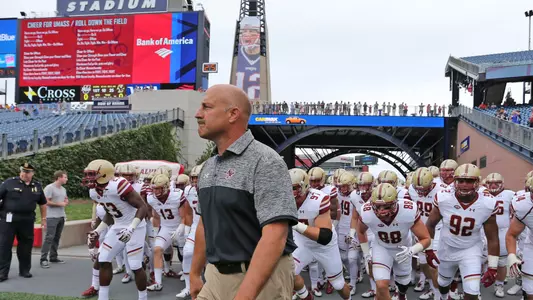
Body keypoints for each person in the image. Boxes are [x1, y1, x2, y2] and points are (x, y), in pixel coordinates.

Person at [190, 84, 298, 300]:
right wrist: (194, 273)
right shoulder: (209, 166)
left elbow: (276, 235)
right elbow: (205, 224)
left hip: (260, 279)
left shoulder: (265, 161)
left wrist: (245, 296)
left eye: (206, 107)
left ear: (233, 114)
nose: (197, 114)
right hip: (215, 276)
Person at [425, 163, 500, 300]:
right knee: (443, 283)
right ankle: (443, 296)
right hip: (446, 247)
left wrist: (493, 266)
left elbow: (493, 237)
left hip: (470, 249)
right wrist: (429, 250)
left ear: (477, 182)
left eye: (469, 181)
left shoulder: (488, 203)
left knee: (472, 291)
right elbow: (430, 224)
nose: (464, 185)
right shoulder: (443, 197)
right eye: (460, 181)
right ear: (455, 181)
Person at [82, 159, 149, 300]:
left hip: (135, 226)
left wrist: (131, 228)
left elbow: (143, 207)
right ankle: (103, 297)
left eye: (92, 174)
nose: (89, 178)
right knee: (103, 259)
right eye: (88, 174)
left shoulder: (118, 185)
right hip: (118, 225)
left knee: (135, 265)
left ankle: (143, 298)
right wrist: (97, 231)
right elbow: (110, 214)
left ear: (105, 174)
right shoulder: (94, 192)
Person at [355, 183, 431, 300]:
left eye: (386, 207)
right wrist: (366, 254)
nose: (381, 212)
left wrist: (412, 250)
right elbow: (360, 231)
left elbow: (426, 238)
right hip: (382, 248)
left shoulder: (407, 210)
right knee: (381, 285)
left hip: (403, 249)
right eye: (377, 207)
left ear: (395, 202)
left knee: (403, 284)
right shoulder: (367, 211)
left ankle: (401, 294)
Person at [289, 168, 352, 300]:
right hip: (301, 243)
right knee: (288, 273)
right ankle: (307, 297)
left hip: (325, 246)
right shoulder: (281, 199)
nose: (290, 192)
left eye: (294, 188)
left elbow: (324, 236)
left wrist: (294, 224)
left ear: (304, 186)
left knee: (338, 284)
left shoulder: (318, 198)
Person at [0, 162, 47, 281]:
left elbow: (42, 203)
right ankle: (2, 273)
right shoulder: (9, 183)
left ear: (32, 173)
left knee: (26, 245)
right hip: (9, 219)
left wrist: (43, 219)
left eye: (27, 172)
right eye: (23, 171)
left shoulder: (37, 186)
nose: (24, 174)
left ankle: (25, 270)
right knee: (4, 245)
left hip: (27, 219)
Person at [40, 170, 69, 268]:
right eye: (65, 177)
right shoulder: (49, 188)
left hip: (61, 216)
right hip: (51, 216)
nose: (66, 179)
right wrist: (58, 204)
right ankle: (43, 259)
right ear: (59, 177)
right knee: (49, 237)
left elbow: (65, 198)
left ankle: (53, 256)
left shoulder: (63, 189)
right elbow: (45, 201)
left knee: (57, 237)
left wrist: (66, 201)